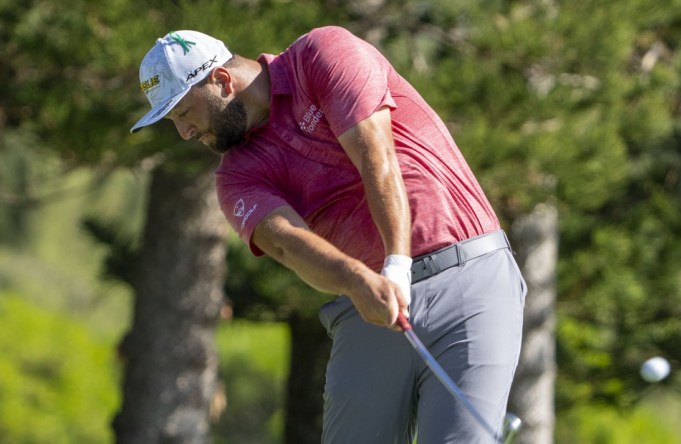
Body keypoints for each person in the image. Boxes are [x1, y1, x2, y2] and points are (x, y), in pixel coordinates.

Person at [131, 26, 526, 444]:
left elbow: (375, 150)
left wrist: (397, 263)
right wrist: (359, 280)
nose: (186, 134)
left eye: (185, 114)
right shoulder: (236, 177)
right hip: (366, 308)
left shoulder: (321, 54)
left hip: (469, 281)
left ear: (222, 81)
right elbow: (287, 242)